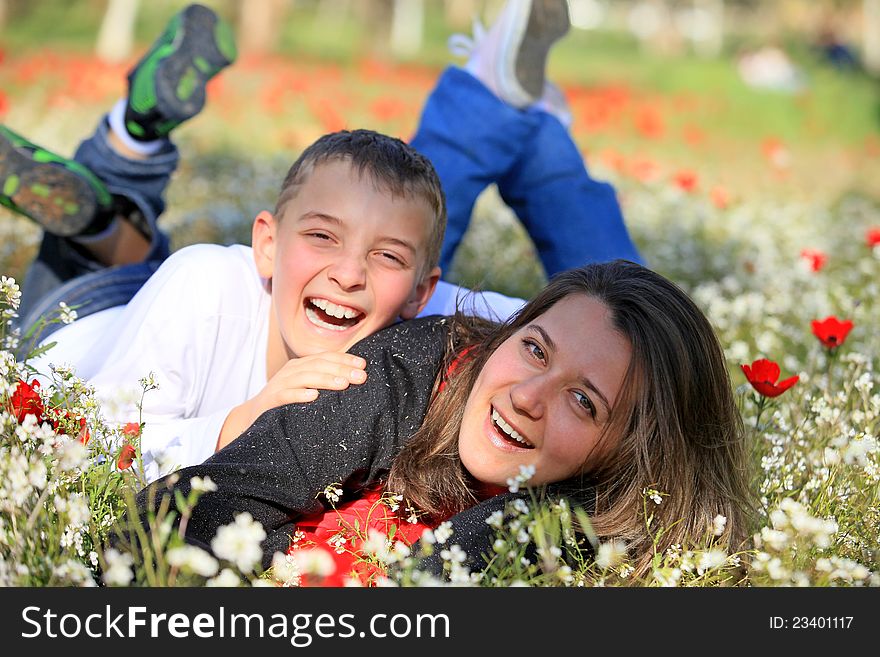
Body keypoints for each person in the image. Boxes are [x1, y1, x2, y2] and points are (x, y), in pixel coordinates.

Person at [1, 0, 636, 483]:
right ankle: (129, 141)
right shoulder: (205, 285)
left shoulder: (424, 311)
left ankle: (507, 110)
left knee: (401, 208)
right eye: (323, 238)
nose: (350, 274)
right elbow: (82, 447)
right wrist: (233, 427)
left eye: (383, 260)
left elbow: (586, 328)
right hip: (70, 335)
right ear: (267, 245)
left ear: (426, 293)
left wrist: (647, 366)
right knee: (108, 233)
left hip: (169, 313)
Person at [133, 259, 754, 585]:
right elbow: (187, 508)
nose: (528, 397)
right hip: (141, 328)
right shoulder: (411, 369)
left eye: (583, 401)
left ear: (632, 455)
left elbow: (433, 589)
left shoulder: (609, 514)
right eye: (535, 349)